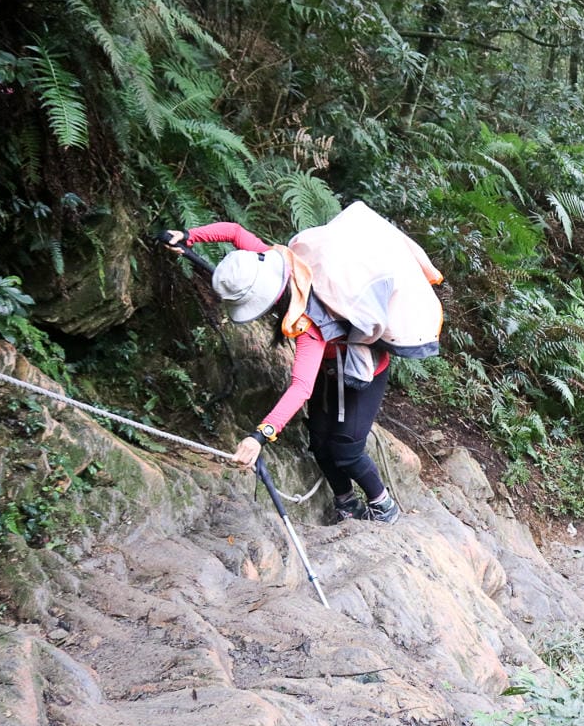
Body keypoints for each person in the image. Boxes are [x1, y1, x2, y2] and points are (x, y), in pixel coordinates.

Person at [162, 208, 442, 524]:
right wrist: (188, 237)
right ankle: (346, 503)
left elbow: (301, 387)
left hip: (363, 371)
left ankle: (384, 506)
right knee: (320, 442)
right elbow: (236, 233)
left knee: (346, 449)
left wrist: (260, 435)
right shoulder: (275, 264)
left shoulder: (310, 322)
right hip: (329, 369)